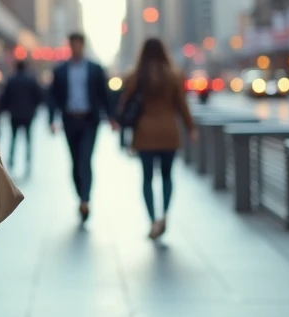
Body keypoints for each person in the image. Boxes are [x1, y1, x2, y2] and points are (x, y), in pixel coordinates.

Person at [116, 38, 198, 239]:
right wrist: (190, 128)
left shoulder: (135, 76)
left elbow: (124, 105)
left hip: (145, 133)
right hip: (169, 132)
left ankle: (152, 220)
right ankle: (165, 216)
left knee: (147, 178)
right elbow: (182, 105)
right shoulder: (174, 76)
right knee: (167, 176)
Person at [48, 31, 116, 222]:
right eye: (73, 44)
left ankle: (85, 199)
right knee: (75, 160)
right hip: (69, 120)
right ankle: (80, 195)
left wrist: (112, 118)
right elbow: (53, 96)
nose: (76, 47)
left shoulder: (95, 69)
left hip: (89, 121)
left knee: (85, 159)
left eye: (78, 44)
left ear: (83, 45)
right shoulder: (60, 70)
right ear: (69, 46)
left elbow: (105, 94)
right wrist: (52, 120)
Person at [0, 59, 44, 172]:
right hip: (28, 115)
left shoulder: (11, 80)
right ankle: (28, 162)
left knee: (13, 139)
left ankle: (11, 160)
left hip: (14, 114)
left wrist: (3, 110)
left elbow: (5, 98)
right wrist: (33, 109)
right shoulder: (31, 80)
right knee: (28, 139)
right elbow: (38, 96)